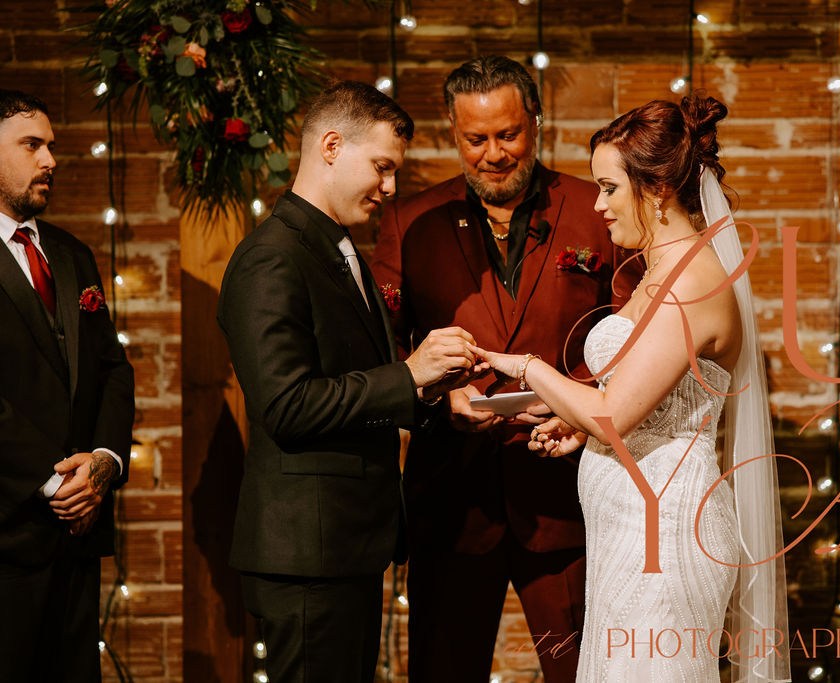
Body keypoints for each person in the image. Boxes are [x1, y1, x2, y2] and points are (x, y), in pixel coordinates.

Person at [475, 96, 791, 682]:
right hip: (626, 531)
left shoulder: (693, 282)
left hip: (665, 535)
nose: (597, 205)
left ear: (658, 189)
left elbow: (615, 413)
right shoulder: (657, 274)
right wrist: (576, 423)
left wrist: (527, 369)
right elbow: (639, 400)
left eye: (608, 188)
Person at [370, 55, 636, 681]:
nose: (493, 154)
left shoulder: (596, 208)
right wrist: (438, 398)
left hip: (567, 496)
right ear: (453, 133)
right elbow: (380, 347)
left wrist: (576, 402)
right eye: (475, 139)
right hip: (451, 501)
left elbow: (633, 333)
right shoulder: (409, 221)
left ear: (536, 122)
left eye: (508, 134)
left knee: (583, 673)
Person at [218, 81, 482, 683]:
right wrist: (408, 375)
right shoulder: (271, 257)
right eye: (382, 167)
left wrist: (431, 395)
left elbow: (350, 380)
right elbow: (286, 406)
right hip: (305, 556)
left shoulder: (339, 249)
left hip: (344, 546)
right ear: (332, 146)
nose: (390, 188)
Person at [0, 90, 135, 682]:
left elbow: (112, 369)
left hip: (77, 534)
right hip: (9, 529)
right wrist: (54, 482)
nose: (50, 160)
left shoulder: (71, 253)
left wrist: (103, 462)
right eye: (32, 145)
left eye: (51, 146)